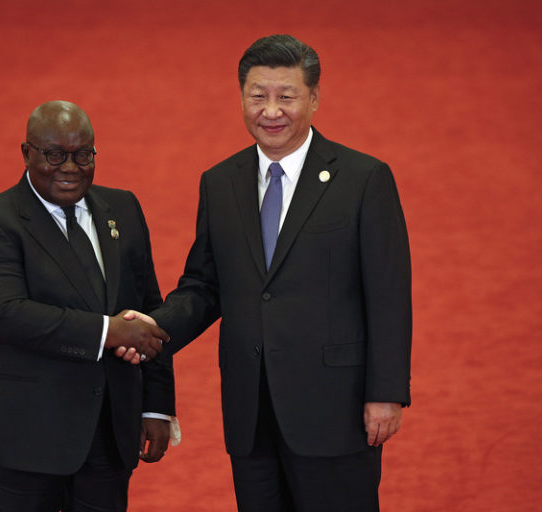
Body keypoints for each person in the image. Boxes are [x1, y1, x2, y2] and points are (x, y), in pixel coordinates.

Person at [135, 34, 412, 511]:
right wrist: (152, 328)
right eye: (257, 96)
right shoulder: (220, 182)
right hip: (251, 411)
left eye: (286, 96)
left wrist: (386, 393)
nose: (271, 111)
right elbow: (204, 285)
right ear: (241, 97)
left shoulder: (364, 179)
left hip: (335, 408)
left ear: (314, 98)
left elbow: (388, 294)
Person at [0, 100, 175, 512]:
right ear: (27, 153)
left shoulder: (123, 208)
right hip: (26, 434)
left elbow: (148, 309)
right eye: (55, 155)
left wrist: (157, 406)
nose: (71, 168)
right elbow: (7, 314)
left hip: (109, 430)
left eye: (83, 155)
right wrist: (109, 331)